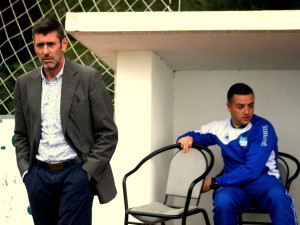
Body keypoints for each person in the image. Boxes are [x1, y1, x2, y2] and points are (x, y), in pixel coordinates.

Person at [13, 18, 118, 225]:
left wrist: (87, 172)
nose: (45, 51)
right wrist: (27, 172)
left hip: (76, 174)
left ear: (63, 44)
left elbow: (107, 133)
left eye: (50, 44)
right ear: (34, 46)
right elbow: (22, 134)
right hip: (39, 177)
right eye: (40, 45)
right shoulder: (24, 84)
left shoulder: (89, 78)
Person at [177, 83, 297, 225]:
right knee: (223, 201)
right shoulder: (218, 127)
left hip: (264, 183)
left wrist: (214, 182)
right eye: (240, 106)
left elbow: (252, 170)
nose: (247, 111)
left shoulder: (264, 128)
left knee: (280, 198)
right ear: (229, 107)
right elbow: (194, 136)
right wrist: (185, 139)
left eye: (251, 105)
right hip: (235, 186)